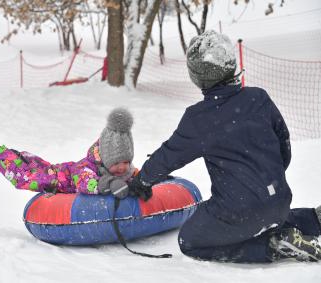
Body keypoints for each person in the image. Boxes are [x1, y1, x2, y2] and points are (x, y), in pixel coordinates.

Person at [128, 30, 321, 263]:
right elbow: (284, 146)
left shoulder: (199, 118)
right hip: (279, 199)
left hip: (237, 212)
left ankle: (272, 246)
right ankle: (313, 218)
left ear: (197, 76)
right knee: (264, 214)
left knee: (190, 240)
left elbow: (169, 156)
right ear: (231, 65)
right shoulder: (259, 98)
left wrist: (142, 180)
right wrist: (267, 179)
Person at [0, 107, 138, 199]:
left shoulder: (126, 169)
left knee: (36, 166)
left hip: (58, 170)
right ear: (106, 159)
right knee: (24, 178)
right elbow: (86, 183)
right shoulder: (87, 169)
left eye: (126, 162)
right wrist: (108, 184)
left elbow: (134, 175)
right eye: (116, 163)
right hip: (55, 179)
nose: (122, 168)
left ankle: (14, 155)